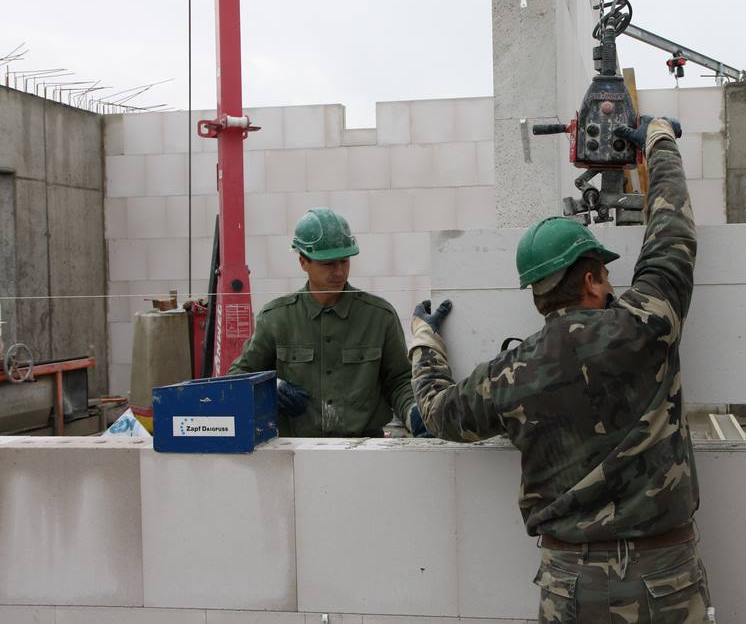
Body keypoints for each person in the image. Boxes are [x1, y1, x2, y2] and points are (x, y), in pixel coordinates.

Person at [408, 117, 713, 622]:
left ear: (537, 293)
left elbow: (437, 412)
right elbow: (672, 231)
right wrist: (658, 141)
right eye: (606, 275)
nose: (612, 285)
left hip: (570, 582)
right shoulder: (645, 325)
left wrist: (425, 341)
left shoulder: (510, 375)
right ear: (591, 281)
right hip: (665, 576)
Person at [229, 207, 428, 438]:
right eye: (328, 263)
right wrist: (272, 388)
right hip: (295, 450)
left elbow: (399, 381)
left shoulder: (379, 317)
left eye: (344, 261)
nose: (339, 271)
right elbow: (237, 377)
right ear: (303, 262)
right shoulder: (276, 318)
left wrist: (416, 413)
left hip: (365, 447)